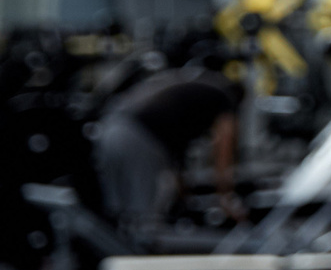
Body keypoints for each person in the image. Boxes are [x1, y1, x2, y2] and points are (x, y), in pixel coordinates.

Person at [96, 60, 244, 232]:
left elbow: (176, 154)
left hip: (109, 128)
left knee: (118, 215)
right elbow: (223, 150)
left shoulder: (193, 90)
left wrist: (183, 192)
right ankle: (137, 254)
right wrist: (226, 197)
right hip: (139, 137)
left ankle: (114, 252)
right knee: (143, 218)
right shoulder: (224, 99)